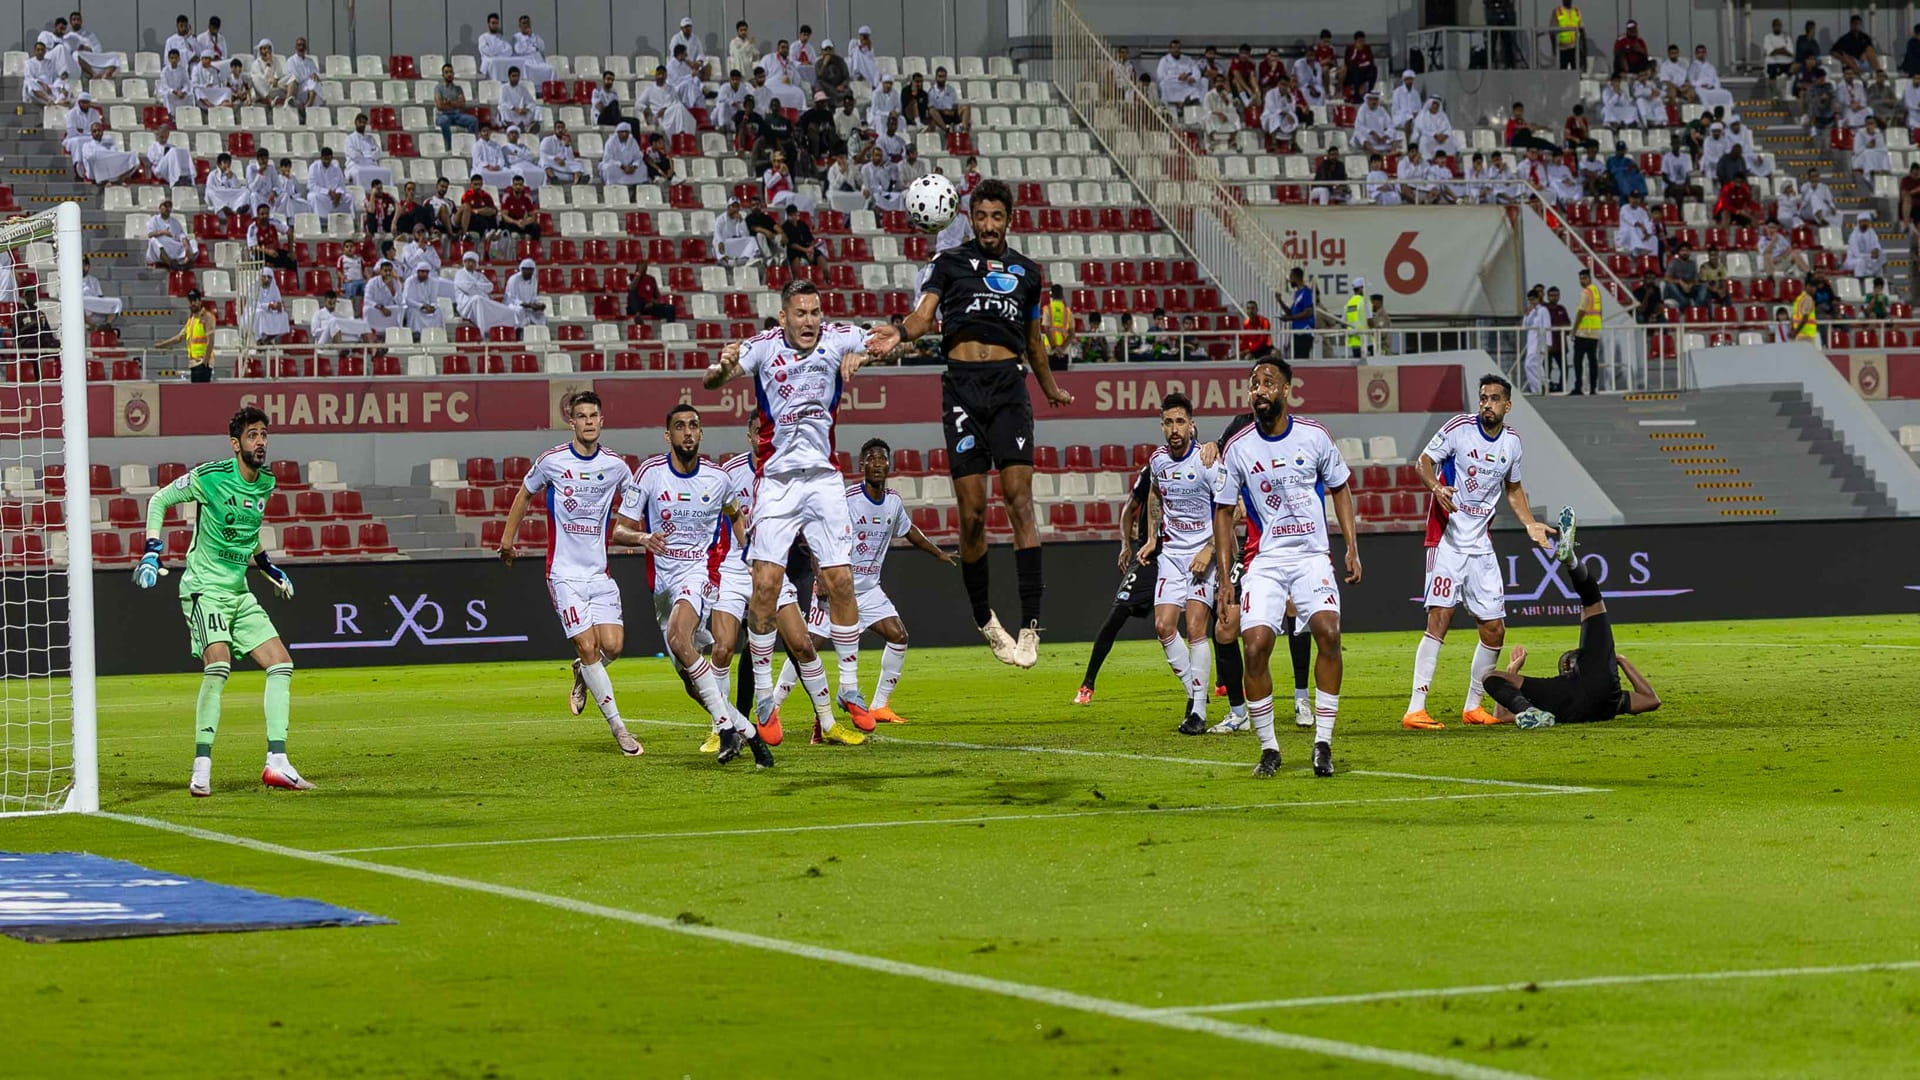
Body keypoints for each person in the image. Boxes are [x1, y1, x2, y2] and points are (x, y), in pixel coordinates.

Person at [863, 180, 1070, 667]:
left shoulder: (1028, 272)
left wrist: (1050, 388)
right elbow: (923, 317)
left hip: (1009, 388)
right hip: (962, 389)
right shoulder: (948, 263)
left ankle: (1031, 624)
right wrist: (900, 332)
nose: (989, 225)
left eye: (997, 216)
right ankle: (985, 618)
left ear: (1009, 219)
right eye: (982, 216)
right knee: (973, 513)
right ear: (970, 219)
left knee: (1020, 502)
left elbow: (1034, 341)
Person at [703, 280, 879, 744]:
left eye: (815, 312)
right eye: (800, 313)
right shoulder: (762, 347)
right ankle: (764, 695)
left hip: (823, 479)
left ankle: (850, 687)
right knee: (765, 585)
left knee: (841, 580)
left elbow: (887, 339)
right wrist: (722, 370)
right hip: (778, 482)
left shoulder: (838, 338)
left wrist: (867, 354)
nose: (809, 321)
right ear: (783, 317)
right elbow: (712, 381)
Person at [133, 406, 307, 796]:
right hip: (204, 589)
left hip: (238, 591)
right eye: (252, 435)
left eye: (264, 434)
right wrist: (151, 551)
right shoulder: (210, 477)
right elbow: (159, 500)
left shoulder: (266, 483)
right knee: (219, 665)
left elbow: (248, 531)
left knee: (281, 664)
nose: (260, 441)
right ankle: (201, 768)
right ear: (235, 444)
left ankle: (277, 763)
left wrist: (268, 567)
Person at [1211, 356, 1357, 778]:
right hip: (1265, 561)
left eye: (1268, 382)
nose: (1259, 389)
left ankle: (1323, 742)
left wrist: (1351, 547)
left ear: (1287, 390)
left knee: (1329, 633)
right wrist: (1225, 578)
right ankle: (1269, 748)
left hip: (1312, 557)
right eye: (1254, 383)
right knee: (1255, 646)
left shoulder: (1314, 436)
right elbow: (1223, 511)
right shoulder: (1238, 447)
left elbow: (1340, 488)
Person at [1399, 373, 1559, 733]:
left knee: (1494, 629)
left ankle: (1473, 705)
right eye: (1483, 398)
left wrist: (1530, 523)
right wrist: (1436, 487)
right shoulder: (1458, 428)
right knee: (1439, 618)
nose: (1487, 404)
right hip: (1447, 540)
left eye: (1494, 399)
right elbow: (1423, 462)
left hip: (1480, 546)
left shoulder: (1512, 443)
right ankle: (1415, 708)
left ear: (1507, 405)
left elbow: (1513, 489)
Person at [619, 406, 771, 766]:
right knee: (691, 681)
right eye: (680, 426)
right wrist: (642, 537)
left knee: (679, 638)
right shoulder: (650, 474)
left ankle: (725, 729)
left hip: (699, 574)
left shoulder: (718, 479)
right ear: (667, 435)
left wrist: (748, 559)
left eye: (693, 426)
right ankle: (747, 733)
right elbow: (620, 529)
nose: (687, 432)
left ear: (701, 433)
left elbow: (736, 516)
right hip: (662, 587)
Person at [496, 393, 646, 756]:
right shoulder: (552, 461)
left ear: (601, 421)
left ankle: (582, 673)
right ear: (572, 423)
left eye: (594, 415)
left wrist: (631, 532)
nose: (589, 421)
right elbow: (524, 494)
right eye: (582, 416)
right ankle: (620, 730)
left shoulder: (616, 466)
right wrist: (507, 540)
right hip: (563, 574)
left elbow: (634, 499)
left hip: (599, 574)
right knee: (588, 645)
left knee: (613, 647)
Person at [769, 439, 955, 725]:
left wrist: (938, 552)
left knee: (898, 636)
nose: (877, 464)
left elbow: (909, 530)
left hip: (869, 590)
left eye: (882, 459)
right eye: (871, 459)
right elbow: (816, 533)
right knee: (808, 645)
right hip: (837, 588)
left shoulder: (893, 502)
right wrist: (821, 575)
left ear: (889, 465)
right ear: (862, 465)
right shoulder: (848, 500)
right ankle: (773, 706)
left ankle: (880, 706)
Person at [1483, 511, 1662, 729]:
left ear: (1566, 669)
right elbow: (1651, 699)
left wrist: (1513, 669)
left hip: (1561, 700)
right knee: (1591, 599)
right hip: (1599, 685)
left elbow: (1501, 712)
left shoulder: (1551, 698)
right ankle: (1572, 562)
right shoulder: (1614, 700)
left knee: (1489, 677)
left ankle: (1528, 713)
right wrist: (1621, 660)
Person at [1127, 394, 1227, 734]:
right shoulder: (1157, 461)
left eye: (1180, 422)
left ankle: (1197, 712)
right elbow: (1155, 493)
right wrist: (1152, 538)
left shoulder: (1207, 461)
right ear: (1162, 426)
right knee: (1163, 627)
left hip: (1202, 555)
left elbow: (1232, 510)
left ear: (1191, 425)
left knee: (1196, 627)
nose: (1174, 429)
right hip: (1171, 554)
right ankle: (1196, 693)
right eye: (1168, 422)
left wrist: (1210, 550)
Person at [1075, 461, 1159, 704]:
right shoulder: (1152, 470)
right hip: (1148, 557)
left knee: (1205, 616)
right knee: (1117, 613)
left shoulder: (1197, 467)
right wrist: (1125, 544)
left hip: (1182, 555)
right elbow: (1129, 508)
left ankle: (1221, 684)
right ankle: (1087, 684)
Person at [153, 289, 216, 380]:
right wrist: (162, 345)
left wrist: (205, 362)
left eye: (195, 300)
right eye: (190, 301)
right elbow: (179, 337)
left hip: (202, 363)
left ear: (200, 301)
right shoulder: (191, 320)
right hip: (194, 363)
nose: (192, 303)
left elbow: (211, 341)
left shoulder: (207, 317)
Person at [144, 199, 199, 269]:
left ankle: (186, 262)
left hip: (174, 247)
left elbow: (181, 235)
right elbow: (150, 234)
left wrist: (186, 244)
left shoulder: (175, 222)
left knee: (193, 242)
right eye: (165, 206)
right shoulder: (154, 220)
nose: (167, 208)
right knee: (153, 240)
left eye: (169, 206)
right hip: (161, 249)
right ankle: (171, 264)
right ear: (160, 208)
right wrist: (162, 232)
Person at [1572, 267, 1602, 394]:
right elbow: (1599, 311)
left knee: (1578, 360)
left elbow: (1581, 311)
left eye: (1584, 278)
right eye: (1580, 279)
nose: (1582, 281)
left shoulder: (1586, 292)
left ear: (1589, 279)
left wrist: (1574, 330)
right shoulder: (1596, 291)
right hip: (1594, 332)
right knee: (1592, 361)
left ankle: (1578, 387)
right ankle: (1593, 388)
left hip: (1584, 332)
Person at [1282, 267, 1316, 359]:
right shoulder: (1297, 293)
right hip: (1297, 332)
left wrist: (1290, 318)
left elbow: (1308, 312)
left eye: (1290, 277)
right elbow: (1291, 313)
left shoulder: (1306, 292)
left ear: (1295, 277)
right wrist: (1280, 301)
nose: (1289, 280)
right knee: (1296, 359)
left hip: (1304, 332)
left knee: (1301, 359)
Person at [456, 174, 498, 240]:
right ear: (471, 184)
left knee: (492, 215)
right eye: (475, 184)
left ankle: (493, 233)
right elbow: (467, 211)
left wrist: (485, 211)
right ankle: (486, 233)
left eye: (479, 184)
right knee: (476, 217)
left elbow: (493, 209)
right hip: (473, 219)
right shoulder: (467, 195)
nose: (478, 187)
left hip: (484, 216)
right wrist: (479, 211)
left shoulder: (486, 195)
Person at [1846, 212, 1886, 278]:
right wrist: (1869, 256)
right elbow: (1856, 253)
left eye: (1866, 221)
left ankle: (1879, 279)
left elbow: (1876, 244)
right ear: (1859, 222)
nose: (1865, 223)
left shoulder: (1871, 232)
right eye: (1863, 221)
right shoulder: (1854, 235)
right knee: (1861, 262)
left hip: (1868, 257)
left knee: (1882, 255)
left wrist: (1876, 250)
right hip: (1854, 259)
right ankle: (1861, 280)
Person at [1343, 275, 1370, 358]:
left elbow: (1343, 323)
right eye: (1365, 288)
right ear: (1361, 288)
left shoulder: (1348, 303)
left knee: (1357, 364)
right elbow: (1370, 321)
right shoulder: (1365, 301)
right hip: (1366, 341)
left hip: (1353, 342)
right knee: (1369, 365)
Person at [1551, 0, 1583, 69]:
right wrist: (1554, 48)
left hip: (1575, 48)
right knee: (1563, 71)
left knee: (1575, 70)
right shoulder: (1558, 11)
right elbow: (1552, 31)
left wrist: (1582, 47)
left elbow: (1581, 30)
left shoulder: (1576, 11)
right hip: (1562, 48)